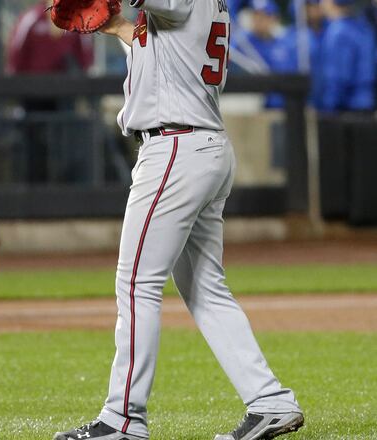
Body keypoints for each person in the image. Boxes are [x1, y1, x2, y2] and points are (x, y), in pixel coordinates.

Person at [52, 0, 304, 438]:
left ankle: (122, 420)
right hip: (200, 145)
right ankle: (271, 401)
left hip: (176, 147)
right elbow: (161, 48)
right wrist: (117, 28)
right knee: (205, 288)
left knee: (136, 283)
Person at [6, 0, 95, 183]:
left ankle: (67, 186)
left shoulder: (75, 19)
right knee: (33, 144)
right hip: (33, 96)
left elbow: (85, 57)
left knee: (65, 143)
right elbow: (15, 56)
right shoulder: (31, 18)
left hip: (65, 97)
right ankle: (33, 187)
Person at [232, 0, 293, 107]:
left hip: (281, 106)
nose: (259, 20)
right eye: (256, 15)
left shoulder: (284, 44)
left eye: (264, 16)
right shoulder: (241, 43)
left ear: (274, 18)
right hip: (251, 106)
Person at [317, 0, 375, 112]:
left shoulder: (338, 31)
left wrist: (329, 107)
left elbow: (338, 77)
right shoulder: (363, 27)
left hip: (346, 107)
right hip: (366, 102)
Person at [279, 0, 327, 106]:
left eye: (316, 5)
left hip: (325, 100)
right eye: (310, 6)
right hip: (299, 100)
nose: (315, 10)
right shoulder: (291, 38)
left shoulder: (328, 33)